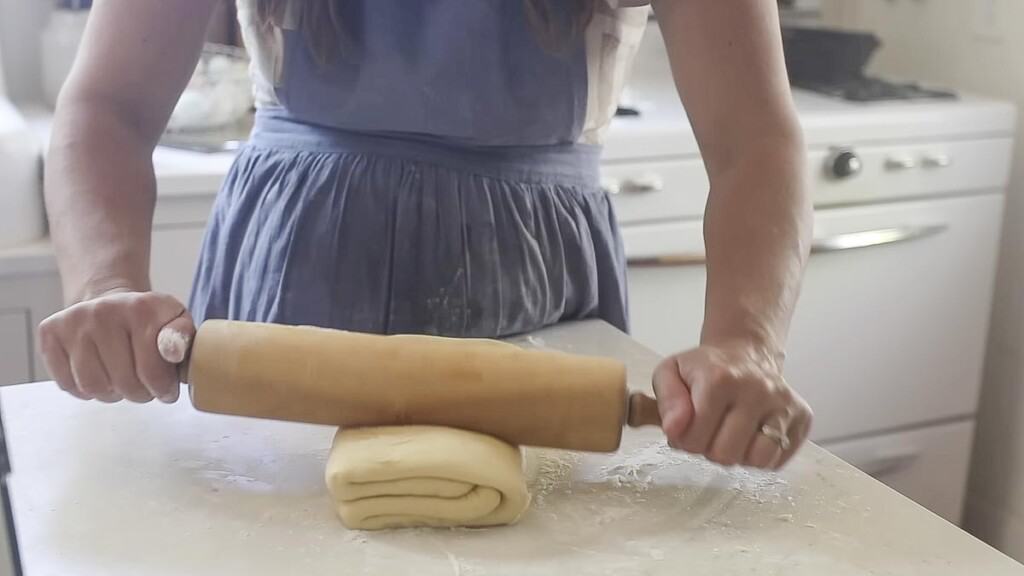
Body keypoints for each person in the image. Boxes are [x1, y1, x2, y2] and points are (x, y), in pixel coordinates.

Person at [38, 0, 813, 470]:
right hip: (292, 273)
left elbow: (755, 145)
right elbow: (108, 106)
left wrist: (745, 341)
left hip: (534, 281)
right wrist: (108, 285)